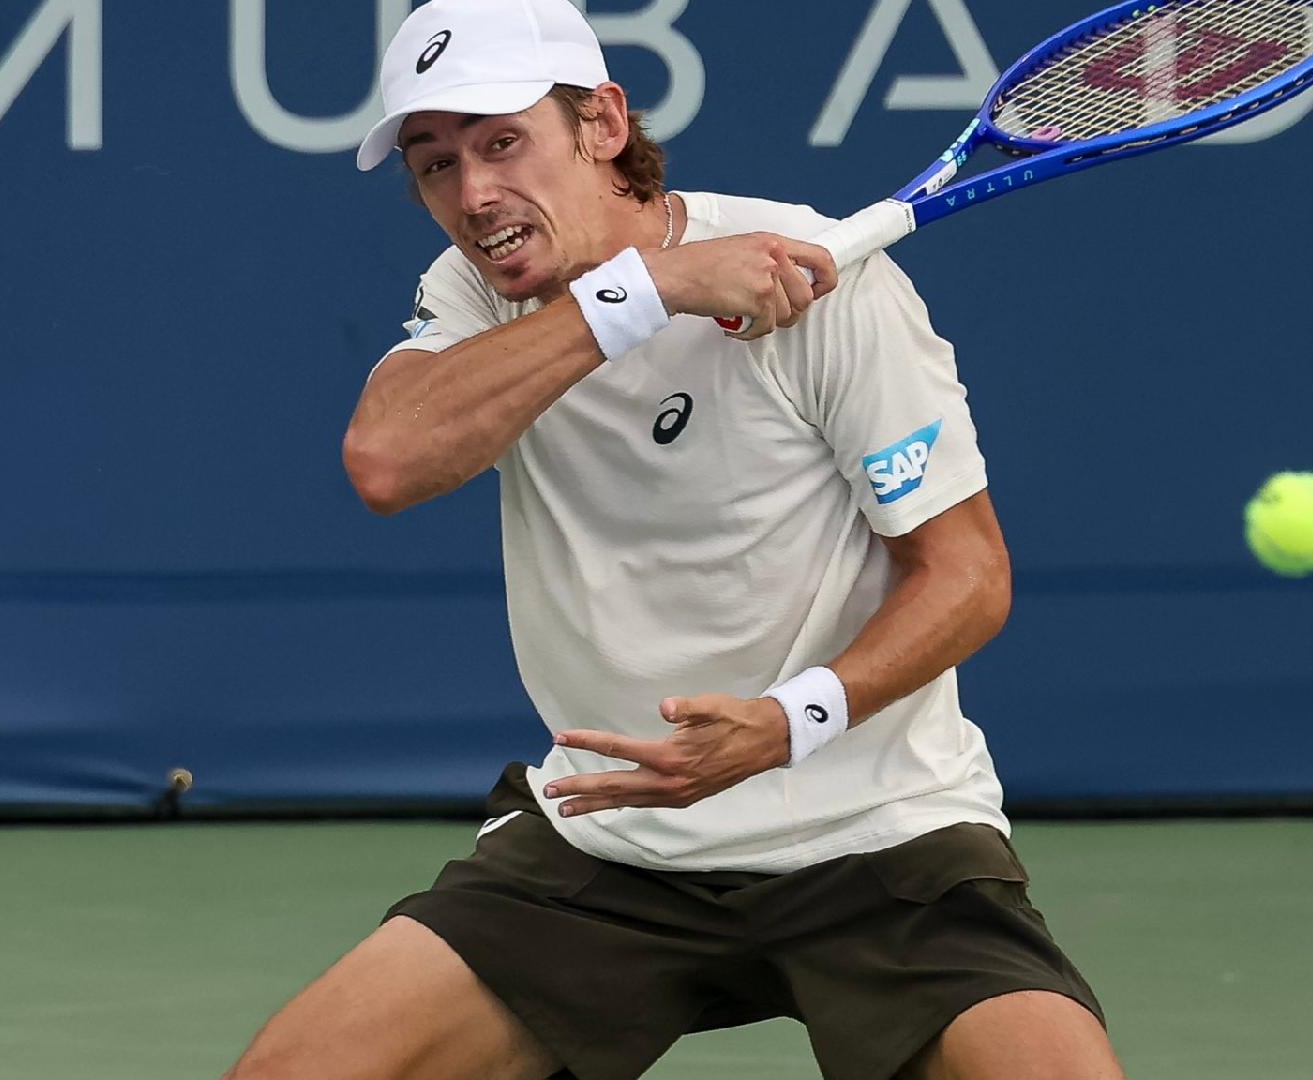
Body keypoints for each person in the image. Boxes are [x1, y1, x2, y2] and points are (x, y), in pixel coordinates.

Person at [226, 1, 1124, 1077]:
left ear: (603, 124)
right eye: (435, 165)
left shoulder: (836, 290)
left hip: (880, 835)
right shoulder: (474, 293)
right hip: (613, 841)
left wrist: (788, 723)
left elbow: (968, 576)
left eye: (503, 142)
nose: (473, 195)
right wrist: (647, 290)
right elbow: (387, 460)